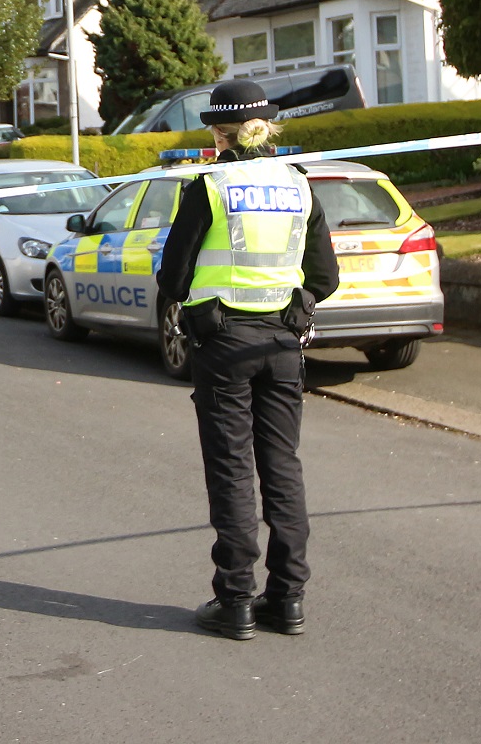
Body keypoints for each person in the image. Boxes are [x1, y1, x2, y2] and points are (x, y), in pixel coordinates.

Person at [156, 79, 340, 642]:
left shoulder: (208, 186)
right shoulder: (300, 185)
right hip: (283, 346)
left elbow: (172, 277)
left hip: (224, 345)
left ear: (218, 131)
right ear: (269, 128)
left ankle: (235, 600)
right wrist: (294, 307)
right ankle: (287, 600)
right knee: (282, 467)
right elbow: (326, 278)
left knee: (233, 469)